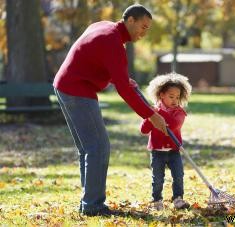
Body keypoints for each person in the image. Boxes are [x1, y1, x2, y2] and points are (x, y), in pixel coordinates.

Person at [53, 4, 168, 217]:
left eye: (148, 29)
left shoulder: (105, 28)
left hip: (65, 84)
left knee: (88, 148)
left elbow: (96, 58)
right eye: (143, 27)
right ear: (130, 20)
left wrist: (118, 76)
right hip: (77, 89)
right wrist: (151, 115)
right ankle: (93, 205)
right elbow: (124, 90)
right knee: (98, 147)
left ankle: (88, 202)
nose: (144, 33)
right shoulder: (113, 42)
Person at [140, 72, 192, 210]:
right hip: (157, 152)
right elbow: (144, 130)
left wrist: (157, 114)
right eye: (171, 96)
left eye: (177, 97)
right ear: (161, 95)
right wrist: (150, 115)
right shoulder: (153, 112)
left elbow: (174, 125)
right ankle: (157, 200)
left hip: (174, 151)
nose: (175, 100)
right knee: (157, 178)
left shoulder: (179, 112)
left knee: (178, 176)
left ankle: (178, 199)